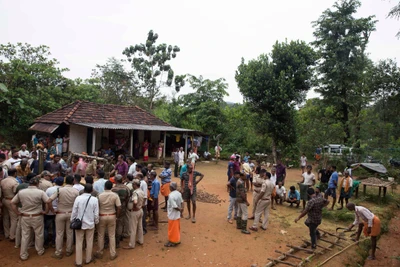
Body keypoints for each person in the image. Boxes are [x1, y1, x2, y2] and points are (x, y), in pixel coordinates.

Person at [11, 177, 49, 261]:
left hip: (25, 216)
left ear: (29, 183)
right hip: (37, 216)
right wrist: (45, 211)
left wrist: (17, 212)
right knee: (39, 234)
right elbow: (47, 202)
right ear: (37, 184)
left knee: (25, 235)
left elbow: (13, 202)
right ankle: (39, 250)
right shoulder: (40, 192)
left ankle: (23, 254)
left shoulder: (21, 192)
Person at [48, 175, 79, 259]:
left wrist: (52, 210)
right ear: (73, 181)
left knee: (59, 233)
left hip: (60, 213)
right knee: (70, 233)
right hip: (71, 213)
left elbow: (49, 200)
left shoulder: (59, 190)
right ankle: (69, 250)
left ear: (65, 181)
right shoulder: (76, 191)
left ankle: (58, 252)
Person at [71, 184, 99, 267]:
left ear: (84, 190)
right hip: (90, 223)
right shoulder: (95, 199)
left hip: (79, 224)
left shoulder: (78, 198)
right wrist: (96, 222)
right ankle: (88, 259)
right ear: (91, 190)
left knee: (79, 242)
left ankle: (78, 262)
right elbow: (96, 213)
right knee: (89, 242)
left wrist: (72, 221)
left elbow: (74, 211)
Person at [94, 181, 121, 260]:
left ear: (105, 187)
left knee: (100, 235)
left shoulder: (99, 195)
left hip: (102, 216)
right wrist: (117, 216)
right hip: (112, 215)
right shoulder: (115, 195)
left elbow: (97, 206)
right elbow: (119, 207)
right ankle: (112, 253)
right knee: (112, 235)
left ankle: (100, 252)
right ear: (111, 187)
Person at [123, 179, 145, 249]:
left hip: (135, 211)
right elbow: (144, 199)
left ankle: (131, 244)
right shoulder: (141, 191)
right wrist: (140, 206)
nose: (132, 185)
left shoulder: (135, 193)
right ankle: (140, 240)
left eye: (133, 184)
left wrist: (135, 207)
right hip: (140, 210)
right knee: (140, 226)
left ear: (135, 185)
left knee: (133, 228)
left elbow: (135, 202)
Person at [111, 174, 130, 248]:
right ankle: (118, 239)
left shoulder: (113, 189)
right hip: (123, 207)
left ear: (115, 180)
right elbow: (128, 198)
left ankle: (112, 240)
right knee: (121, 223)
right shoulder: (126, 188)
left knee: (114, 224)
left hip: (115, 208)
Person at [44, 177, 63, 248]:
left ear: (55, 182)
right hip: (58, 211)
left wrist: (48, 210)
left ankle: (45, 242)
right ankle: (54, 242)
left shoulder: (49, 189)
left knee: (46, 227)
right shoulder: (63, 190)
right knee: (56, 228)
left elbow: (47, 200)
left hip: (49, 210)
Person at [1, 168, 19, 241]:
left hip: (4, 199)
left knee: (5, 217)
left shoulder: (3, 180)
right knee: (14, 218)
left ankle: (7, 234)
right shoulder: (15, 182)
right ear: (15, 173)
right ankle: (12, 235)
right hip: (11, 200)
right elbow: (15, 192)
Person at [164, 182, 183, 247]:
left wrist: (180, 210)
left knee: (172, 229)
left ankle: (172, 241)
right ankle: (177, 239)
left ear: (171, 188)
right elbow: (182, 202)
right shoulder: (179, 193)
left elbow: (174, 206)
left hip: (172, 215)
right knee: (176, 228)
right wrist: (181, 211)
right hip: (177, 215)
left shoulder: (171, 195)